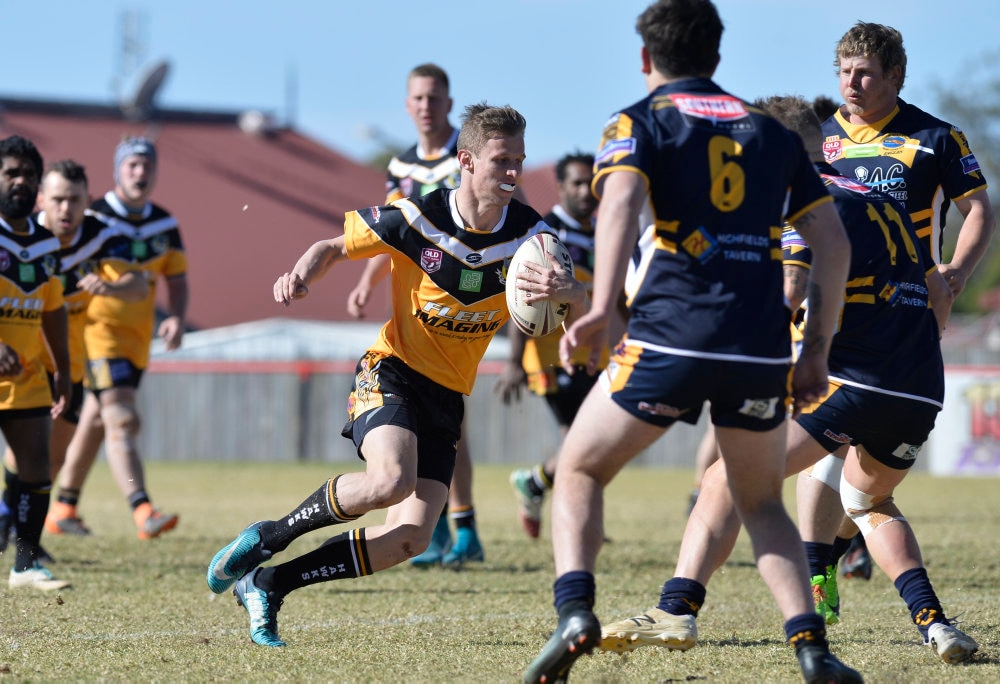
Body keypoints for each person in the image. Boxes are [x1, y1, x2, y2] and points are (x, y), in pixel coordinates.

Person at [522, 3, 860, 683]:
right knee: (760, 501)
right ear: (717, 56)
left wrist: (609, 308)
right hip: (759, 347)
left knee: (581, 468)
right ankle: (812, 651)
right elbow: (833, 243)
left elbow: (616, 207)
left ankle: (575, 612)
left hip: (671, 336)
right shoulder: (771, 133)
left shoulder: (637, 121)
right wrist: (817, 346)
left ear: (646, 58)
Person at [598, 94, 978, 666]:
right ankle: (935, 625)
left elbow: (791, 291)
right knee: (868, 501)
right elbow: (939, 290)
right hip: (918, 387)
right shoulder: (883, 201)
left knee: (723, 480)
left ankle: (676, 610)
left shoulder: (805, 206)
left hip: (851, 380)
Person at [206, 103, 588, 648]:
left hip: (449, 395)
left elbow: (580, 293)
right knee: (391, 481)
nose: (512, 173)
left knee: (408, 539)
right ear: (466, 161)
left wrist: (566, 293)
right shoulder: (418, 217)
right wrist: (300, 275)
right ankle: (269, 538)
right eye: (501, 161)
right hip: (393, 370)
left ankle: (268, 583)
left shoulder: (532, 240)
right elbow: (332, 247)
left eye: (519, 161)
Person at [803, 20, 995, 585]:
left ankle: (834, 551)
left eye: (865, 73)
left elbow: (979, 209)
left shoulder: (936, 138)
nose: (853, 84)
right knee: (827, 445)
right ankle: (824, 566)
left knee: (865, 458)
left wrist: (956, 272)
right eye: (845, 72)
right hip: (832, 309)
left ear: (896, 75)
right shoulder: (817, 138)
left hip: (908, 309)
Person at [346, 63, 484, 568]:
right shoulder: (401, 167)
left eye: (434, 97)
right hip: (416, 308)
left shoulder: (469, 156)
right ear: (408, 105)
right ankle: (445, 530)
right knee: (429, 423)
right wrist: (365, 282)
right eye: (418, 98)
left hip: (468, 303)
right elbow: (392, 234)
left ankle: (462, 526)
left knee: (450, 422)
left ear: (449, 103)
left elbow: (514, 214)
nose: (426, 105)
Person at [0, 160, 148, 550]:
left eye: (75, 200)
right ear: (41, 198)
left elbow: (138, 284)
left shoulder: (101, 236)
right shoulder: (23, 236)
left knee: (52, 458)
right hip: (19, 360)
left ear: (87, 200)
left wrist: (111, 289)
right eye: (57, 199)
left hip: (67, 363)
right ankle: (11, 523)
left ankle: (11, 519)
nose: (65, 210)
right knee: (29, 448)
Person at [44, 137, 188, 540]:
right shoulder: (91, 217)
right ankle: (142, 508)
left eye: (147, 165)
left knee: (94, 421)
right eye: (132, 165)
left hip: (137, 340)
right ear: (117, 171)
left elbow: (175, 279)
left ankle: (63, 507)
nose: (140, 172)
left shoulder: (165, 224)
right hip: (95, 334)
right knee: (123, 418)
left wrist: (176, 316)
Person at [0, 135, 71, 591]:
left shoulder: (46, 243)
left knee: (36, 466)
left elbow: (53, 309)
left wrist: (65, 370)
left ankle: (26, 566)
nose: (22, 181)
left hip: (28, 375)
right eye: (11, 172)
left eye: (29, 174)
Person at [495, 151, 599, 539]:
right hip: (554, 357)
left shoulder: (604, 231)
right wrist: (515, 362)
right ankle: (553, 498)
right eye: (576, 182)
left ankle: (543, 490)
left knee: (590, 441)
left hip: (593, 352)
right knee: (585, 439)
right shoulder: (546, 235)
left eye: (592, 182)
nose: (586, 191)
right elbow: (526, 299)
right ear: (560, 187)